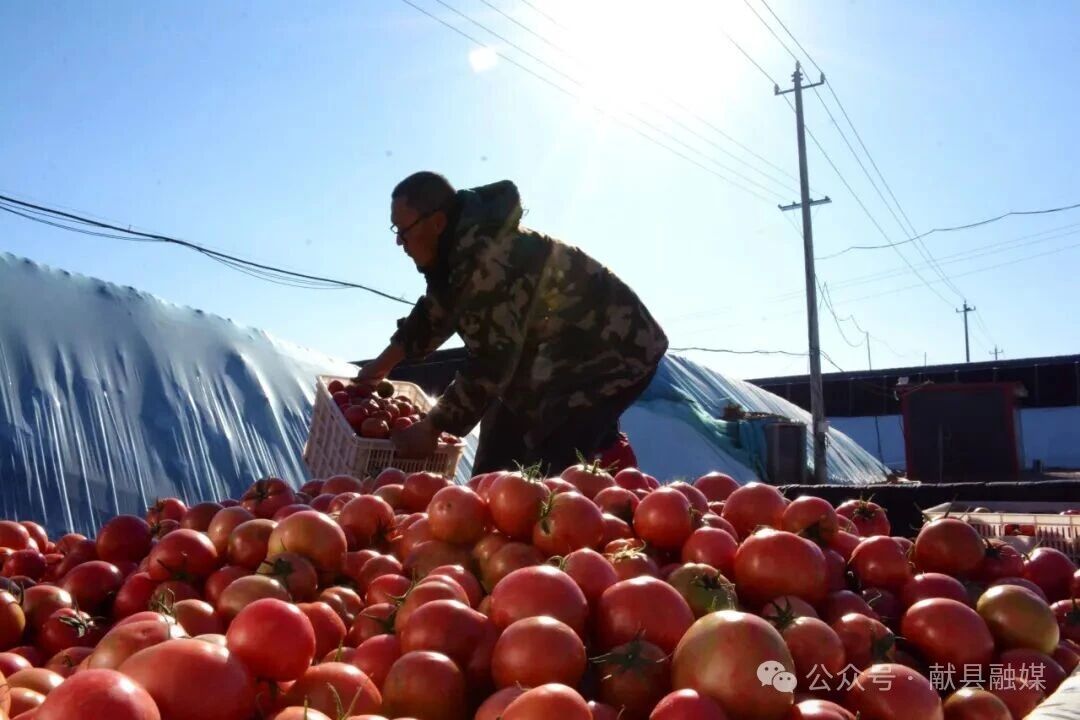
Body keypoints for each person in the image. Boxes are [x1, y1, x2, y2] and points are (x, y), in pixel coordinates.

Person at [357, 171, 668, 476]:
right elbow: (434, 313)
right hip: (553, 355)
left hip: (613, 354)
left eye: (403, 230)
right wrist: (379, 368)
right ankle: (486, 506)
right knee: (500, 443)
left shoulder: (489, 261)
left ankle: (575, 506)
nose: (399, 241)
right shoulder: (457, 256)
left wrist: (433, 426)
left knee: (547, 456)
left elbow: (492, 362)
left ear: (437, 223)